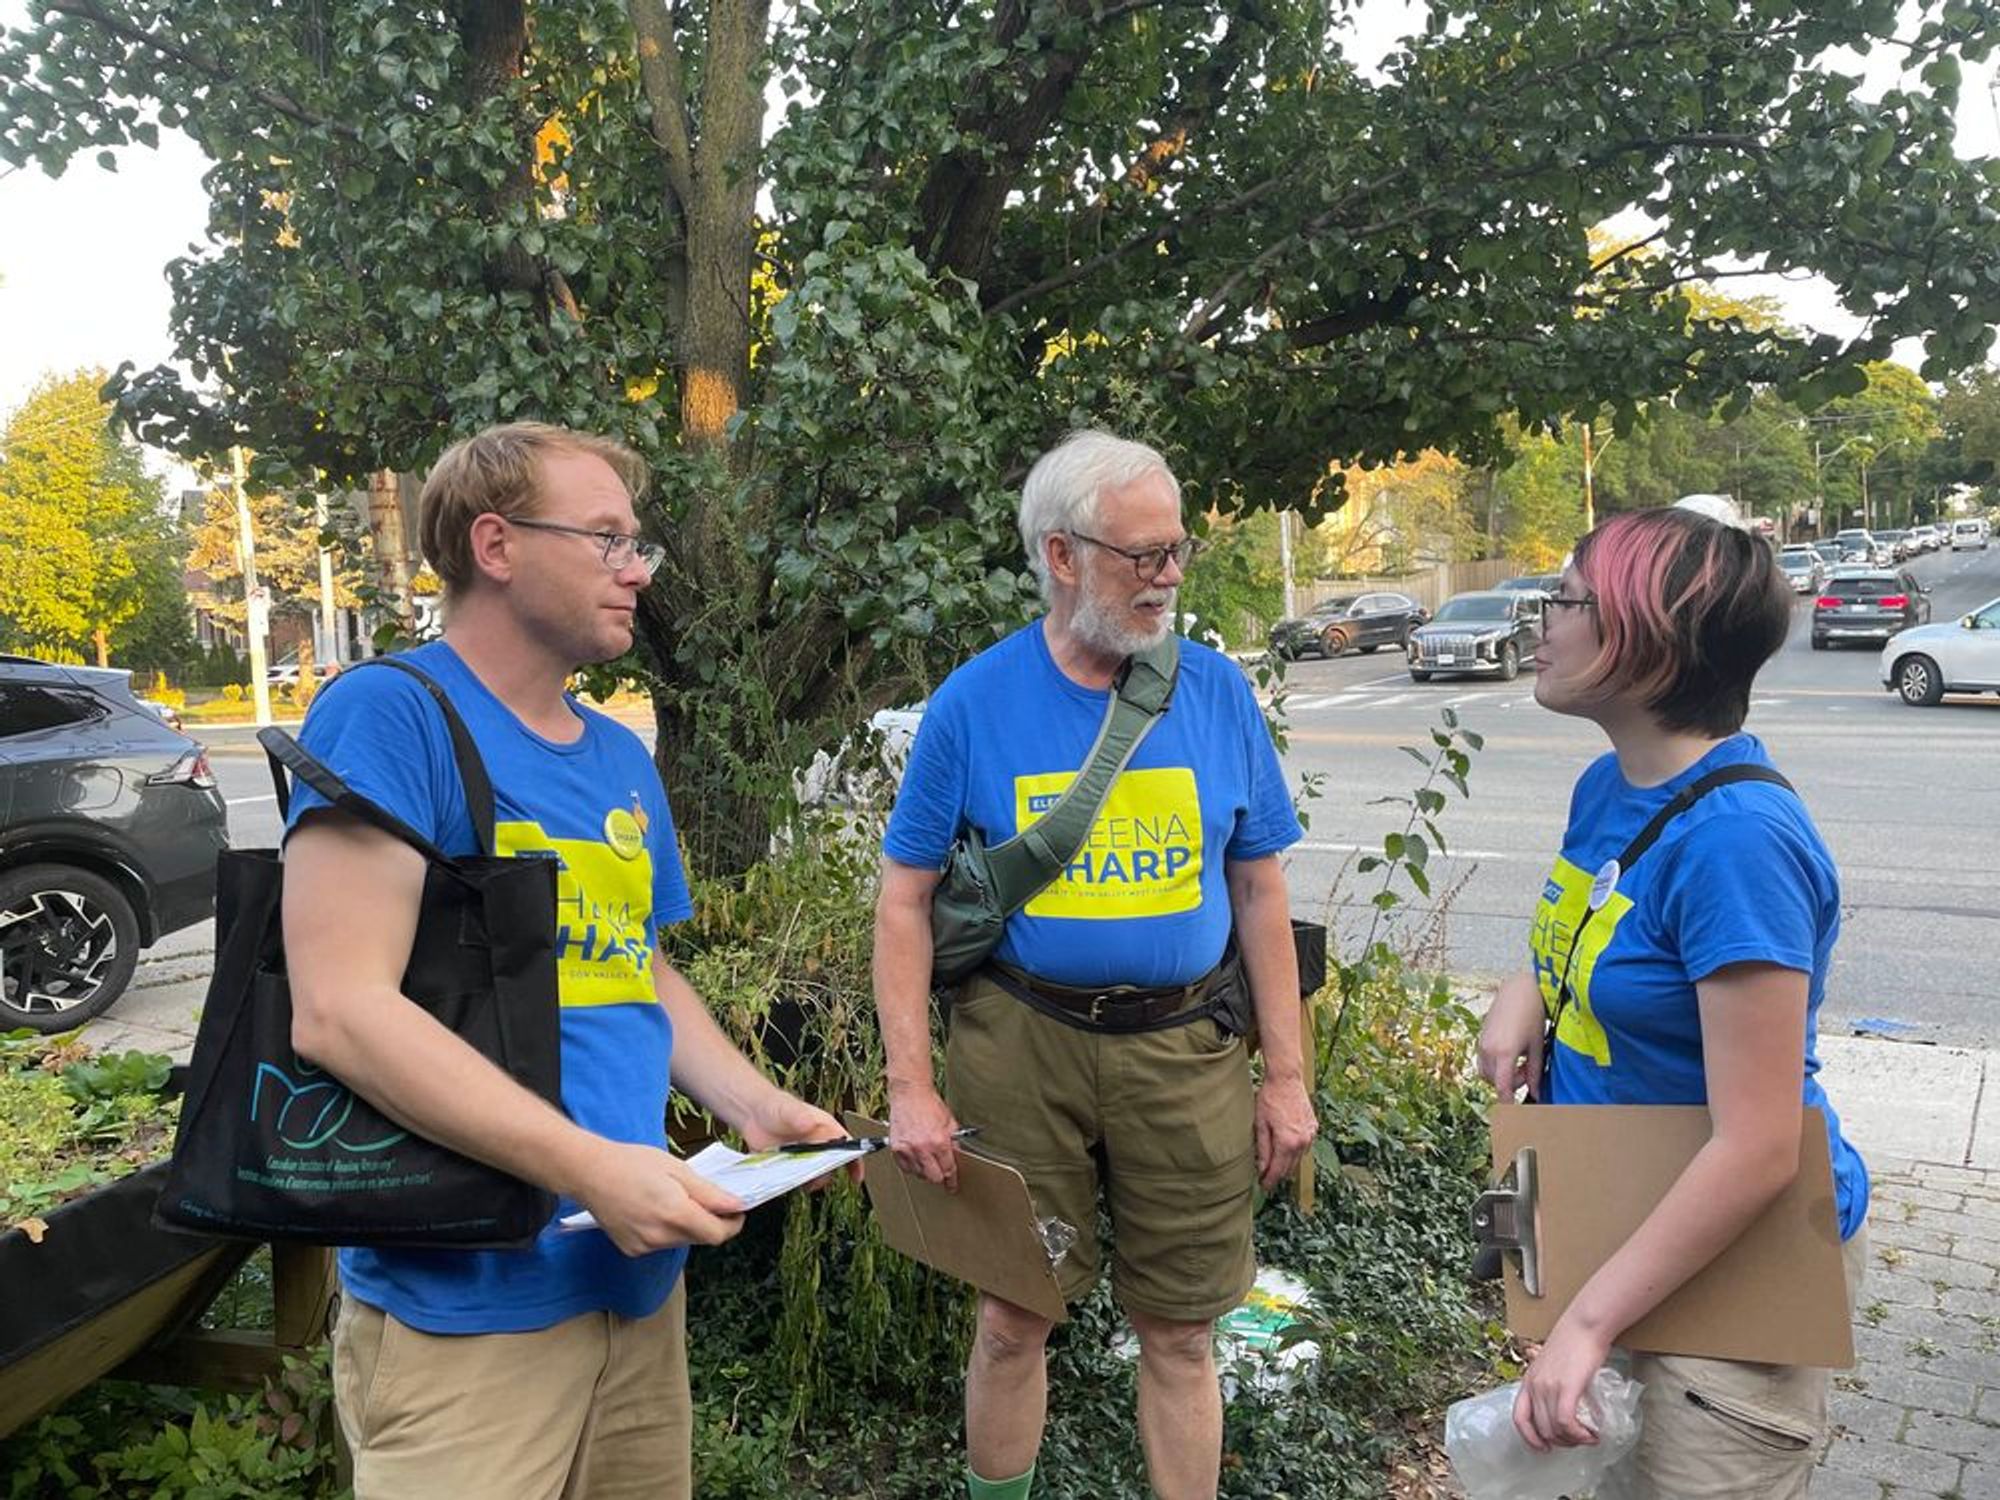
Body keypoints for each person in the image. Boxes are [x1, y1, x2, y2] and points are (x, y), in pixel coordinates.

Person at [280, 422, 847, 1498]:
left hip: (630, 1283)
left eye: (638, 544)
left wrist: (754, 1103)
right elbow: (338, 1010)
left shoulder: (618, 756)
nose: (636, 571)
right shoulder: (392, 715)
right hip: (468, 1311)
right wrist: (590, 1166)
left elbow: (635, 967)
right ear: (495, 546)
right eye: (605, 539)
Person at [872, 430, 1318, 1500]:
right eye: (1140, 555)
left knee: (1179, 1333)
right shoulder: (973, 705)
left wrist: (1288, 1077)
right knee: (1011, 1318)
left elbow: (1259, 890)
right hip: (1020, 1045)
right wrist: (910, 1088)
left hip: (1184, 1051)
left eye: (1176, 550)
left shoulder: (1213, 695)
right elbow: (902, 900)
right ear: (1060, 555)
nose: (1166, 578)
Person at [1476, 506, 1871, 1499]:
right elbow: (1598, 923)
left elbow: (1756, 1143)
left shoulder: (1739, 843)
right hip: (1620, 1214)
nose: (1540, 617)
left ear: (1649, 639)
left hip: (1736, 1266)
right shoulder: (1607, 786)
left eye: (1567, 597)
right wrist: (1520, 993)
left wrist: (1585, 1323)